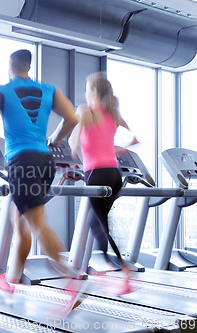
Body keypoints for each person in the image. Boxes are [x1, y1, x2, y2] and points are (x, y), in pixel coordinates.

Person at [0, 49, 80, 311]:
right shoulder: (49, 89)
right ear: (29, 66)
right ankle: (11, 279)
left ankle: (71, 279)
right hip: (45, 162)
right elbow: (72, 118)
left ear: (10, 64)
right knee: (19, 221)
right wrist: (54, 139)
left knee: (37, 224)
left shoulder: (2, 90)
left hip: (23, 162)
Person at [68, 71, 138, 296]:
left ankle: (122, 269)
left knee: (100, 224)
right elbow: (135, 138)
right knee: (95, 221)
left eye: (87, 89)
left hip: (95, 174)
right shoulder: (113, 114)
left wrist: (70, 156)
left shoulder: (84, 112)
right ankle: (106, 268)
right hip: (115, 175)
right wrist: (120, 149)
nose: (85, 93)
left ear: (94, 91)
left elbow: (72, 141)